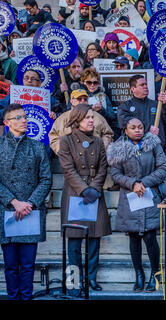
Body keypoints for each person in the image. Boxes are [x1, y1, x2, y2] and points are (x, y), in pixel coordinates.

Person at [107, 117, 166, 292]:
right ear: (125, 130)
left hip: (150, 195)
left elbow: (163, 168)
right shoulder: (118, 147)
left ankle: (155, 274)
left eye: (140, 127)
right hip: (130, 197)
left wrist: (143, 183)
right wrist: (133, 183)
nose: (137, 130)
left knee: (150, 236)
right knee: (134, 237)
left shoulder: (153, 144)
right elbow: (115, 174)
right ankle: (139, 274)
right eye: (133, 127)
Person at [58, 103, 112, 293]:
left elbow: (103, 167)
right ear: (77, 120)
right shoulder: (66, 140)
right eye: (88, 117)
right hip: (75, 194)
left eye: (92, 117)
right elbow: (67, 168)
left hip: (95, 194)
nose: (92, 120)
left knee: (94, 240)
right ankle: (74, 283)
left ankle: (91, 279)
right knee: (73, 243)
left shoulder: (98, 141)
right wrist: (84, 189)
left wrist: (95, 188)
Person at [0, 104, 51, 300]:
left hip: (31, 210)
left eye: (25, 117)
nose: (24, 120)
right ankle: (14, 297)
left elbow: (46, 179)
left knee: (28, 264)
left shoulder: (38, 146)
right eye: (18, 117)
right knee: (11, 265)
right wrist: (14, 202)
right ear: (7, 123)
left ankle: (27, 297)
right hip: (7, 211)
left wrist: (29, 203)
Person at [117, 74, 166, 148]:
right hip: (135, 149)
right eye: (142, 85)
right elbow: (123, 123)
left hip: (157, 148)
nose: (145, 86)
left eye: (146, 84)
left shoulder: (157, 104)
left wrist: (165, 104)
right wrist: (147, 128)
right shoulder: (125, 106)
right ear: (133, 89)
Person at [49, 89, 114, 156]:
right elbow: (53, 137)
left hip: (94, 160)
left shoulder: (98, 117)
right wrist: (63, 153)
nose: (82, 101)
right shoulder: (62, 118)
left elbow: (108, 134)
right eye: (79, 99)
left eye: (85, 99)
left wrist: (101, 151)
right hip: (69, 161)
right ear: (72, 101)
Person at [79, 68, 118, 139]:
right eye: (89, 82)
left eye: (95, 83)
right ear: (83, 82)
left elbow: (112, 117)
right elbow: (72, 114)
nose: (92, 85)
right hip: (82, 133)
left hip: (101, 132)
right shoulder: (78, 95)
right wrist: (90, 109)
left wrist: (101, 110)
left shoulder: (103, 96)